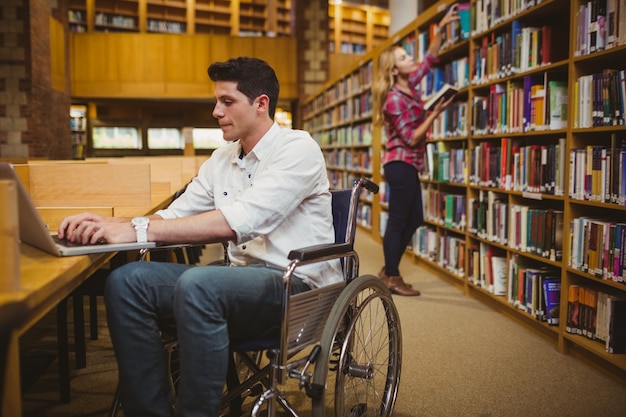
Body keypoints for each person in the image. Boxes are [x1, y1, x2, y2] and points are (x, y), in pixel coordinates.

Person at [58, 56, 343, 417]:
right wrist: (111, 224)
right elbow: (174, 215)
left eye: (227, 102)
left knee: (199, 283)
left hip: (295, 284)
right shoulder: (222, 158)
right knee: (127, 281)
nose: (215, 111)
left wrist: (137, 229)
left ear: (261, 104)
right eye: (216, 101)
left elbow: (240, 221)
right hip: (237, 282)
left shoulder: (297, 148)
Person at [372, 6, 459, 297]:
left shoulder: (410, 86)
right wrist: (435, 113)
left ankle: (389, 271)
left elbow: (430, 58)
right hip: (400, 163)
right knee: (399, 219)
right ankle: (392, 275)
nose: (413, 60)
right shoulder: (394, 99)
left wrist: (442, 26)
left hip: (410, 164)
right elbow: (409, 138)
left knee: (415, 219)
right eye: (404, 58)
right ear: (394, 70)